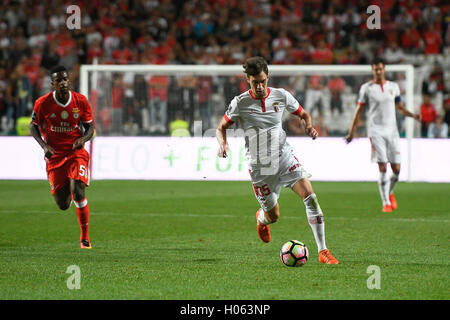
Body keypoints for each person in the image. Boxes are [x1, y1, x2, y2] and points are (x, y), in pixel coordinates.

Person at [216, 56, 339, 264]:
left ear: (267, 77)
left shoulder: (281, 96)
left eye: (263, 81)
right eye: (255, 82)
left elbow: (304, 114)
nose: (260, 86)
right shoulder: (240, 103)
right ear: (248, 79)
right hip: (260, 168)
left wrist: (308, 126)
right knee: (273, 216)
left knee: (310, 196)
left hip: (284, 158)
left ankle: (323, 251)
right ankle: (261, 219)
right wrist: (223, 144)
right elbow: (221, 128)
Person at [29, 66, 94, 249]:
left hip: (76, 152)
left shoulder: (80, 101)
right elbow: (33, 126)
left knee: (78, 191)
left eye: (65, 79)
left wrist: (83, 139)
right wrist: (44, 146)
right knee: (63, 204)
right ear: (53, 84)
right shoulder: (43, 103)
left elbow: (90, 127)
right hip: (55, 156)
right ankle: (66, 191)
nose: (64, 83)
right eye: (59, 80)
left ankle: (85, 238)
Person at [345, 58, 421, 213]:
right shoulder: (366, 88)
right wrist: (351, 132)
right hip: (375, 131)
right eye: (375, 69)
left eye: (380, 69)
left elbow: (400, 107)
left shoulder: (393, 87)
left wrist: (412, 115)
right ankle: (385, 202)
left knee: (397, 169)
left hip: (392, 131)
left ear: (384, 69)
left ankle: (390, 192)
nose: (378, 71)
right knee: (382, 166)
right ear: (372, 70)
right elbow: (359, 111)